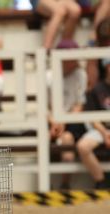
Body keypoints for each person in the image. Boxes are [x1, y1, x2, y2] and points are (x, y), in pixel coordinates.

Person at [46, 39, 87, 190]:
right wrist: (53, 122)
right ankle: (45, 184)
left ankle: (65, 184)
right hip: (51, 121)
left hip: (72, 121)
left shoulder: (80, 74)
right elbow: (44, 107)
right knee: (43, 139)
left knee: (68, 140)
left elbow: (79, 105)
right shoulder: (48, 76)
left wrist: (63, 121)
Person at [76, 58, 110, 189]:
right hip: (100, 130)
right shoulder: (97, 89)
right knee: (83, 147)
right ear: (106, 67)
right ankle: (101, 182)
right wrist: (105, 133)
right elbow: (92, 117)